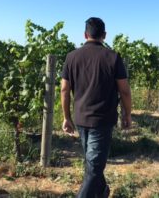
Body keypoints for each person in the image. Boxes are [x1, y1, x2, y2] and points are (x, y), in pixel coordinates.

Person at [61, 17, 132, 198]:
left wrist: (66, 117)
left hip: (80, 119)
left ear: (85, 35)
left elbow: (64, 89)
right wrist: (127, 115)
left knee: (93, 163)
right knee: (94, 167)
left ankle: (102, 191)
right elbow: (124, 91)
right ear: (104, 35)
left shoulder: (71, 57)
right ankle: (97, 192)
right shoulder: (113, 57)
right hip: (103, 120)